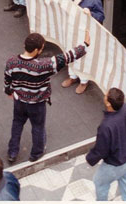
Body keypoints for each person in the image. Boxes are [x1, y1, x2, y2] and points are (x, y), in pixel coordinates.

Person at [5, 31, 90, 163]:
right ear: (37, 50)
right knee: (37, 127)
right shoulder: (44, 66)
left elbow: (7, 79)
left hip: (19, 101)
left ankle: (12, 152)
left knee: (17, 124)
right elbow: (68, 57)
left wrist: (9, 91)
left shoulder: (12, 62)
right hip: (37, 104)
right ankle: (36, 153)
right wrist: (85, 45)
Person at [86, 88, 126, 201]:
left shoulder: (106, 126)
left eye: (106, 95)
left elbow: (101, 150)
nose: (104, 95)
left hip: (117, 163)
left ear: (108, 103)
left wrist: (90, 158)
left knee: (99, 182)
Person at [62, 0, 105, 94]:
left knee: (84, 55)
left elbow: (101, 16)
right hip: (72, 29)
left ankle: (83, 81)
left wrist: (90, 14)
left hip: (84, 32)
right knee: (70, 51)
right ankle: (72, 76)